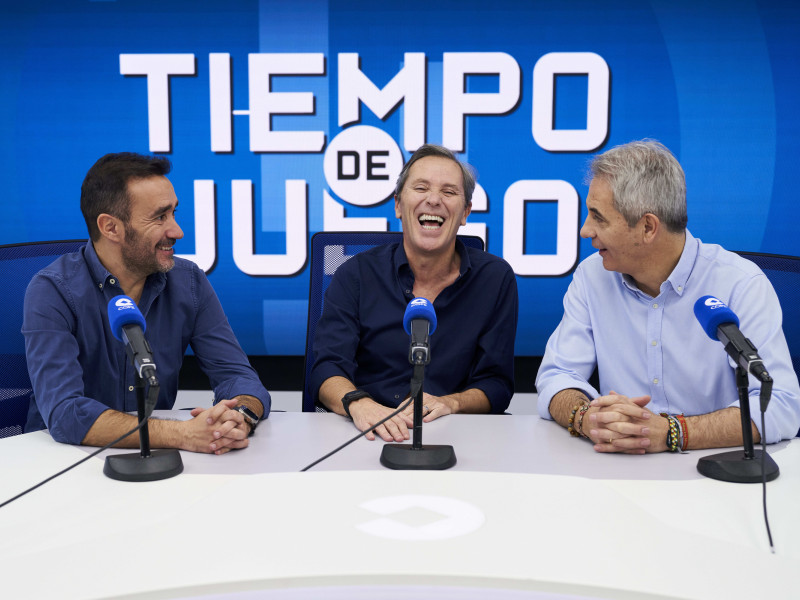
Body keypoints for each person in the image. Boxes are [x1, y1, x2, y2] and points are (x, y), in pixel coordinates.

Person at [536, 139, 800, 453]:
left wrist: (674, 432)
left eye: (598, 217)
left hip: (714, 472)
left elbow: (780, 405)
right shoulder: (592, 276)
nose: (585, 230)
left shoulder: (740, 285)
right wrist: (585, 417)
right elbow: (557, 375)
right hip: (617, 469)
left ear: (648, 227)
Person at [23, 153, 270, 454]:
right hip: (58, 465)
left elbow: (239, 377)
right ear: (111, 228)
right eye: (159, 217)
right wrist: (182, 434)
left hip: (155, 461)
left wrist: (239, 416)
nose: (177, 231)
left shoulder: (189, 281)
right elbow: (66, 414)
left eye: (174, 214)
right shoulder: (52, 290)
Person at [310, 144, 518, 442]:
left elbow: (496, 384)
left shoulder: (495, 279)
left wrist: (452, 403)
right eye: (421, 188)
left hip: (452, 436)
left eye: (449, 192)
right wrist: (360, 404)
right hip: (367, 434)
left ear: (465, 213)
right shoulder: (354, 274)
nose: (434, 200)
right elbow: (326, 369)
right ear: (398, 205)